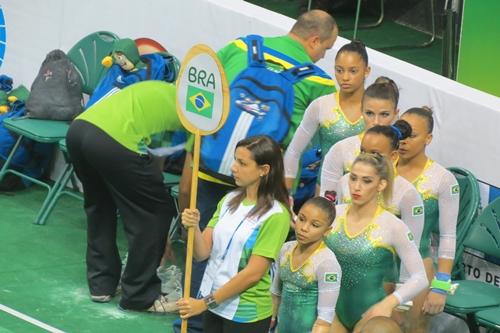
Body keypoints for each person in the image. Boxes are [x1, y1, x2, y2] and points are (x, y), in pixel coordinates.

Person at [174, 9, 339, 332]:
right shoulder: (318, 82)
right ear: (314, 39)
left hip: (210, 168)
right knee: (249, 260)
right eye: (326, 49)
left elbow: (201, 104)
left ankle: (191, 323)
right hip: (260, 186)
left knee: (203, 251)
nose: (323, 56)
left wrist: (191, 161)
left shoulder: (239, 47)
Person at [66, 80, 180, 313]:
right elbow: (161, 167)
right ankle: (140, 295)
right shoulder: (192, 113)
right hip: (112, 142)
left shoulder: (156, 87)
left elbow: (153, 156)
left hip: (78, 131)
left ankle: (101, 284)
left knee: (100, 206)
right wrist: (160, 229)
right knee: (156, 211)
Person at [177, 135, 291, 333]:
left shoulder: (276, 215)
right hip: (215, 306)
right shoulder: (228, 200)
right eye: (235, 160)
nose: (233, 167)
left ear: (264, 170)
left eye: (242, 163)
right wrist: (193, 227)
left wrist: (204, 303)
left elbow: (253, 274)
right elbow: (202, 253)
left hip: (245, 315)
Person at [324, 153, 427, 333]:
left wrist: (389, 303)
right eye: (353, 178)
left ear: (381, 184)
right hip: (330, 312)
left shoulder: (393, 226)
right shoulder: (332, 215)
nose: (356, 187)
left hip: (372, 315)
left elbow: (420, 277)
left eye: (366, 181)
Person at [397, 107, 459, 332]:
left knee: (411, 328)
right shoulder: (381, 168)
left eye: (412, 136)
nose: (403, 141)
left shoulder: (442, 180)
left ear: (428, 138)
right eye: (401, 133)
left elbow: (448, 235)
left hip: (416, 267)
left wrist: (441, 285)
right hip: (376, 263)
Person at [284, 40, 370, 190]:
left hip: (366, 194)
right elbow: (293, 151)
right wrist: (286, 197)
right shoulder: (321, 105)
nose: (345, 77)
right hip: (326, 192)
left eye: (353, 71)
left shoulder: (376, 110)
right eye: (339, 70)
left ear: (367, 71)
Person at [334, 121, 425, 259]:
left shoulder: (407, 194)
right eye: (363, 151)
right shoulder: (345, 182)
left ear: (393, 156)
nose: (366, 158)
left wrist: (402, 281)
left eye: (375, 153)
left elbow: (412, 251)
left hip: (383, 273)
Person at [271, 196, 341, 333]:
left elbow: (325, 319)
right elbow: (275, 292)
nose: (304, 228)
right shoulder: (285, 249)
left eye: (315, 225)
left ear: (327, 231)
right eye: (301, 219)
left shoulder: (328, 264)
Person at [320, 76, 399, 195]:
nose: (376, 121)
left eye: (384, 114)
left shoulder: (404, 153)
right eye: (369, 113)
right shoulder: (341, 149)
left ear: (395, 114)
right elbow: (327, 202)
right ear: (361, 110)